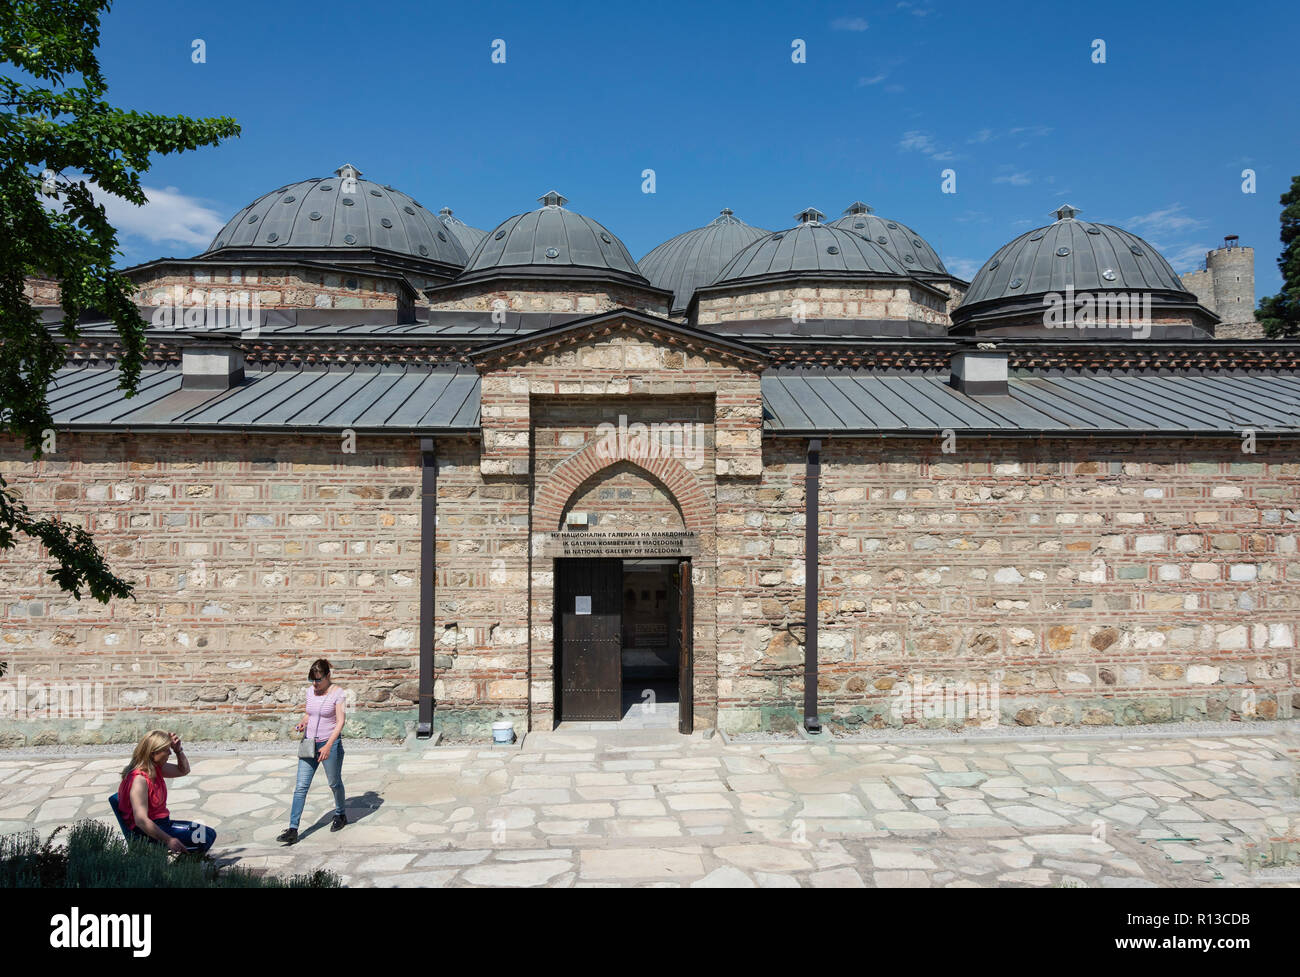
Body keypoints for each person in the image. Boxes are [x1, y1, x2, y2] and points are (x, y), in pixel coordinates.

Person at [277, 658, 347, 845]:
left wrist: (328, 745)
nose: (315, 684)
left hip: (328, 744)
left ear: (327, 676)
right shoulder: (310, 692)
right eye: (312, 680)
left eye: (318, 680)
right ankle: (293, 829)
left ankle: (340, 814)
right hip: (309, 744)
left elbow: (340, 721)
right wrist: (303, 722)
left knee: (334, 783)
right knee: (301, 787)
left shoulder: (338, 693)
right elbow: (310, 713)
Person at [117, 729, 216, 855]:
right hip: (149, 831)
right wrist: (168, 840)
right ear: (153, 753)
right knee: (203, 839)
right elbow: (141, 820)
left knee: (208, 833)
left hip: (163, 823)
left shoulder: (155, 768)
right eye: (166, 750)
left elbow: (183, 770)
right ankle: (181, 869)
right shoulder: (139, 780)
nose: (170, 753)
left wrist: (178, 751)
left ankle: (185, 866)